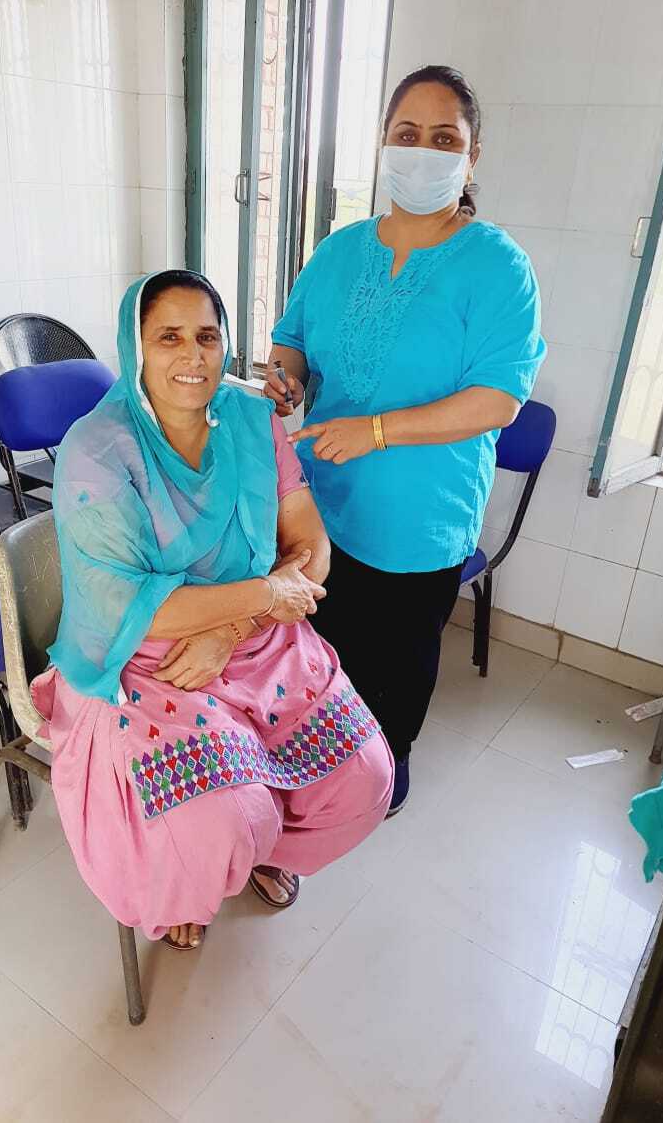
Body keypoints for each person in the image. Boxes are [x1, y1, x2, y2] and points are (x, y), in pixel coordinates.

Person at [32, 270, 393, 949]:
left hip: (256, 640)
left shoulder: (254, 421)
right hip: (145, 659)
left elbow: (310, 546)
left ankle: (263, 856)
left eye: (206, 336)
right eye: (168, 337)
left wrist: (233, 628)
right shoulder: (98, 448)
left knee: (364, 777)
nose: (192, 355)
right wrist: (266, 595)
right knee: (219, 821)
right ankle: (193, 882)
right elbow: (125, 605)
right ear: (135, 346)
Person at [265, 65, 546, 816]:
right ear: (384, 144)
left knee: (395, 662)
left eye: (443, 139)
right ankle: (315, 763)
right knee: (316, 648)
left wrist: (380, 431)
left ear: (472, 156)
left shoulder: (496, 266)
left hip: (420, 515)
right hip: (319, 502)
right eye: (407, 134)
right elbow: (293, 340)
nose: (422, 152)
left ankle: (385, 768)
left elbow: (498, 398)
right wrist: (286, 378)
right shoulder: (338, 251)